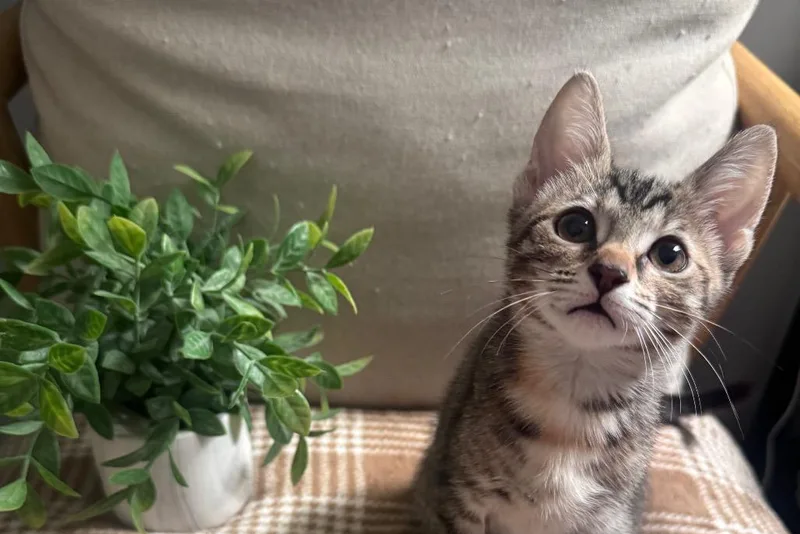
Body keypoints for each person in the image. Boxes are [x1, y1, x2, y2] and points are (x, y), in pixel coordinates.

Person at [1, 0, 760, 407]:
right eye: (578, 227)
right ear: (538, 190)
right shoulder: (491, 386)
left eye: (667, 252)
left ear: (724, 243)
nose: (611, 267)